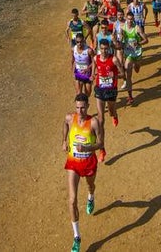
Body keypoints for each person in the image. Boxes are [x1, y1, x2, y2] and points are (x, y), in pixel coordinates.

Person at [63, 94, 104, 252]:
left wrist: (87, 148)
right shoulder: (69, 118)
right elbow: (65, 125)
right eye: (77, 107)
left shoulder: (93, 122)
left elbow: (100, 143)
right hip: (73, 163)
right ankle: (77, 237)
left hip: (88, 163)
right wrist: (64, 140)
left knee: (91, 185)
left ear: (88, 106)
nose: (80, 110)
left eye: (82, 107)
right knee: (72, 200)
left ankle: (91, 197)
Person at [92, 40, 123, 129]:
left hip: (111, 90)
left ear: (109, 48)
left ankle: (115, 114)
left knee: (111, 112)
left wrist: (115, 75)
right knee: (100, 118)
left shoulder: (114, 59)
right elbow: (94, 67)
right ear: (99, 48)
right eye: (102, 48)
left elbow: (123, 74)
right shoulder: (95, 58)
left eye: (106, 49)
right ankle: (100, 137)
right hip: (100, 89)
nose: (104, 51)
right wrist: (92, 75)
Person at [122, 15, 147, 104]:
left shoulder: (137, 28)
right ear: (126, 18)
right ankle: (130, 96)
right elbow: (119, 39)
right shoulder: (123, 28)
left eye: (131, 19)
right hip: (128, 54)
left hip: (137, 53)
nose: (129, 21)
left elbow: (146, 40)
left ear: (133, 20)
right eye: (128, 19)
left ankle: (137, 65)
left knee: (137, 69)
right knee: (128, 72)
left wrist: (138, 43)